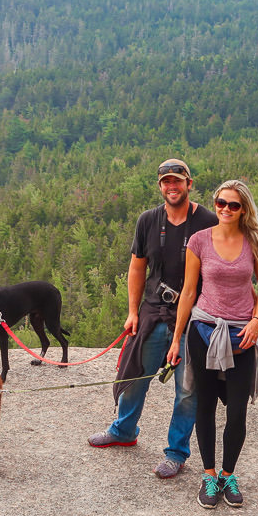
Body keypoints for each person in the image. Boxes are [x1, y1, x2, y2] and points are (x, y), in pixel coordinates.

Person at [87, 158, 217, 479]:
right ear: (160, 186)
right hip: (153, 308)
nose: (172, 187)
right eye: (166, 182)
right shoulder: (148, 220)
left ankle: (176, 453)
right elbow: (137, 267)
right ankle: (124, 430)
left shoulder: (207, 221)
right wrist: (132, 312)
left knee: (187, 388)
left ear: (189, 183)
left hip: (193, 316)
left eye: (178, 181)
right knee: (135, 372)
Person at [166, 179, 258, 509]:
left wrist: (257, 321)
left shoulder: (254, 242)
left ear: (243, 209)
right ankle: (208, 475)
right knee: (204, 405)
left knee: (237, 412)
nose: (225, 209)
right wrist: (178, 339)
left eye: (232, 204)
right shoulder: (199, 241)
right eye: (220, 202)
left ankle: (228, 475)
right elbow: (188, 292)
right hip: (203, 330)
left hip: (242, 334)